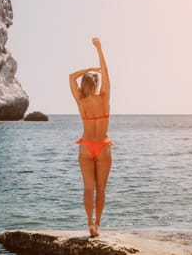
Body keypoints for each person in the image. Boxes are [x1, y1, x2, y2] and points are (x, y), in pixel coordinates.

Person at [69, 37, 113, 237]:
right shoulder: (104, 98)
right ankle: (97, 224)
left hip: (86, 146)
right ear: (95, 85)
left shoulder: (81, 101)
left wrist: (87, 69)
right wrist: (100, 49)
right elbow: (107, 74)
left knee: (88, 188)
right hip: (102, 146)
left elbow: (71, 77)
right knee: (101, 189)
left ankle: (88, 223)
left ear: (84, 85)